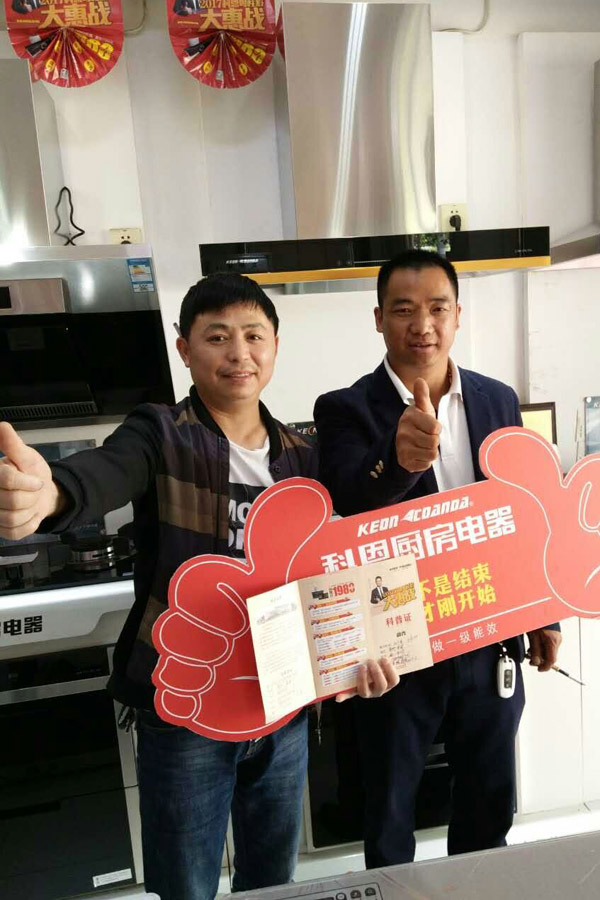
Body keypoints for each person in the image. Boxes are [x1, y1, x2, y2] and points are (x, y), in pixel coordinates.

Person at [0, 273, 397, 900]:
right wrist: (52, 493)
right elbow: (105, 471)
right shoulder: (161, 433)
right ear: (184, 349)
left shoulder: (303, 455)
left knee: (273, 882)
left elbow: (332, 567)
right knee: (186, 886)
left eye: (253, 336)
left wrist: (358, 652)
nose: (239, 353)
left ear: (275, 346)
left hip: (282, 703)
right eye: (217, 337)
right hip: (186, 709)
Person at [314, 250, 562, 869]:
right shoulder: (343, 409)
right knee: (390, 810)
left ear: (457, 315)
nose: (422, 325)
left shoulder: (497, 399)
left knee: (489, 803)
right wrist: (398, 462)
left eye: (437, 308)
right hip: (396, 646)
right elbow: (348, 498)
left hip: (489, 631)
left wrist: (544, 613)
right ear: (379, 319)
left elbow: (521, 512)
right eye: (403, 310)